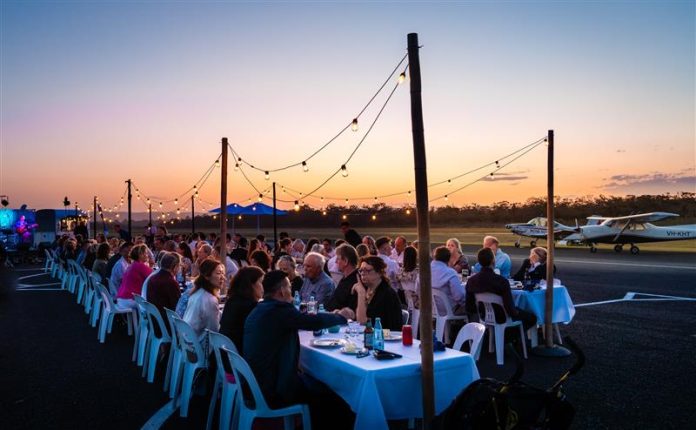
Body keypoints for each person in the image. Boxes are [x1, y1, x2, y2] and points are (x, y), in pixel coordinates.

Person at [243, 270, 347, 411]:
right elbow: (311, 322)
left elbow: (299, 319)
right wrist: (341, 317)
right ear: (281, 291)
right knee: (334, 390)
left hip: (255, 382)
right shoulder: (279, 310)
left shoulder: (260, 308)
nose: (291, 290)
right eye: (289, 287)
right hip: (273, 388)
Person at [465, 248, 537, 331]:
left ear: (479, 261)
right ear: (493, 261)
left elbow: (469, 307)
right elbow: (510, 309)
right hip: (502, 317)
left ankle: (499, 337)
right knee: (532, 318)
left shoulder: (471, 281)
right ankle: (510, 337)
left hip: (483, 317)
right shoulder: (501, 281)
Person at [219, 266, 265, 354]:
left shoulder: (232, 301)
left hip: (225, 353)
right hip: (238, 358)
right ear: (251, 285)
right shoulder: (250, 307)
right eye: (260, 282)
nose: (263, 286)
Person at [352, 256, 403, 331]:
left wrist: (361, 293)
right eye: (361, 271)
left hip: (386, 338)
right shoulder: (366, 289)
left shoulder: (387, 294)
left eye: (367, 270)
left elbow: (363, 322)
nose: (363, 274)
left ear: (379, 272)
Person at [183, 258, 224, 338]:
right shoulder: (210, 300)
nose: (222, 277)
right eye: (218, 273)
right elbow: (214, 332)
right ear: (207, 276)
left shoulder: (196, 293)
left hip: (186, 341)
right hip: (198, 346)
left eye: (223, 273)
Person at [146, 252, 182, 332]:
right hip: (166, 324)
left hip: (153, 320)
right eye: (179, 265)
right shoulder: (170, 282)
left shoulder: (153, 278)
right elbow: (178, 307)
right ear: (175, 267)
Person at [326, 244, 360, 316]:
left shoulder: (356, 281)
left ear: (345, 261)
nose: (336, 262)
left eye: (338, 259)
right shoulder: (345, 278)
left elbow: (351, 310)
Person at [430, 246, 466, 314]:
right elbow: (459, 296)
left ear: (434, 257)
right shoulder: (450, 273)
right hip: (449, 310)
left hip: (429, 309)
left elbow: (418, 290)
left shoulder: (424, 271)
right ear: (449, 259)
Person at [116, 244, 153, 309]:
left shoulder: (131, 266)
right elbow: (155, 277)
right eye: (146, 253)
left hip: (121, 299)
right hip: (130, 299)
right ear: (141, 255)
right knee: (153, 305)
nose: (147, 256)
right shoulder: (140, 266)